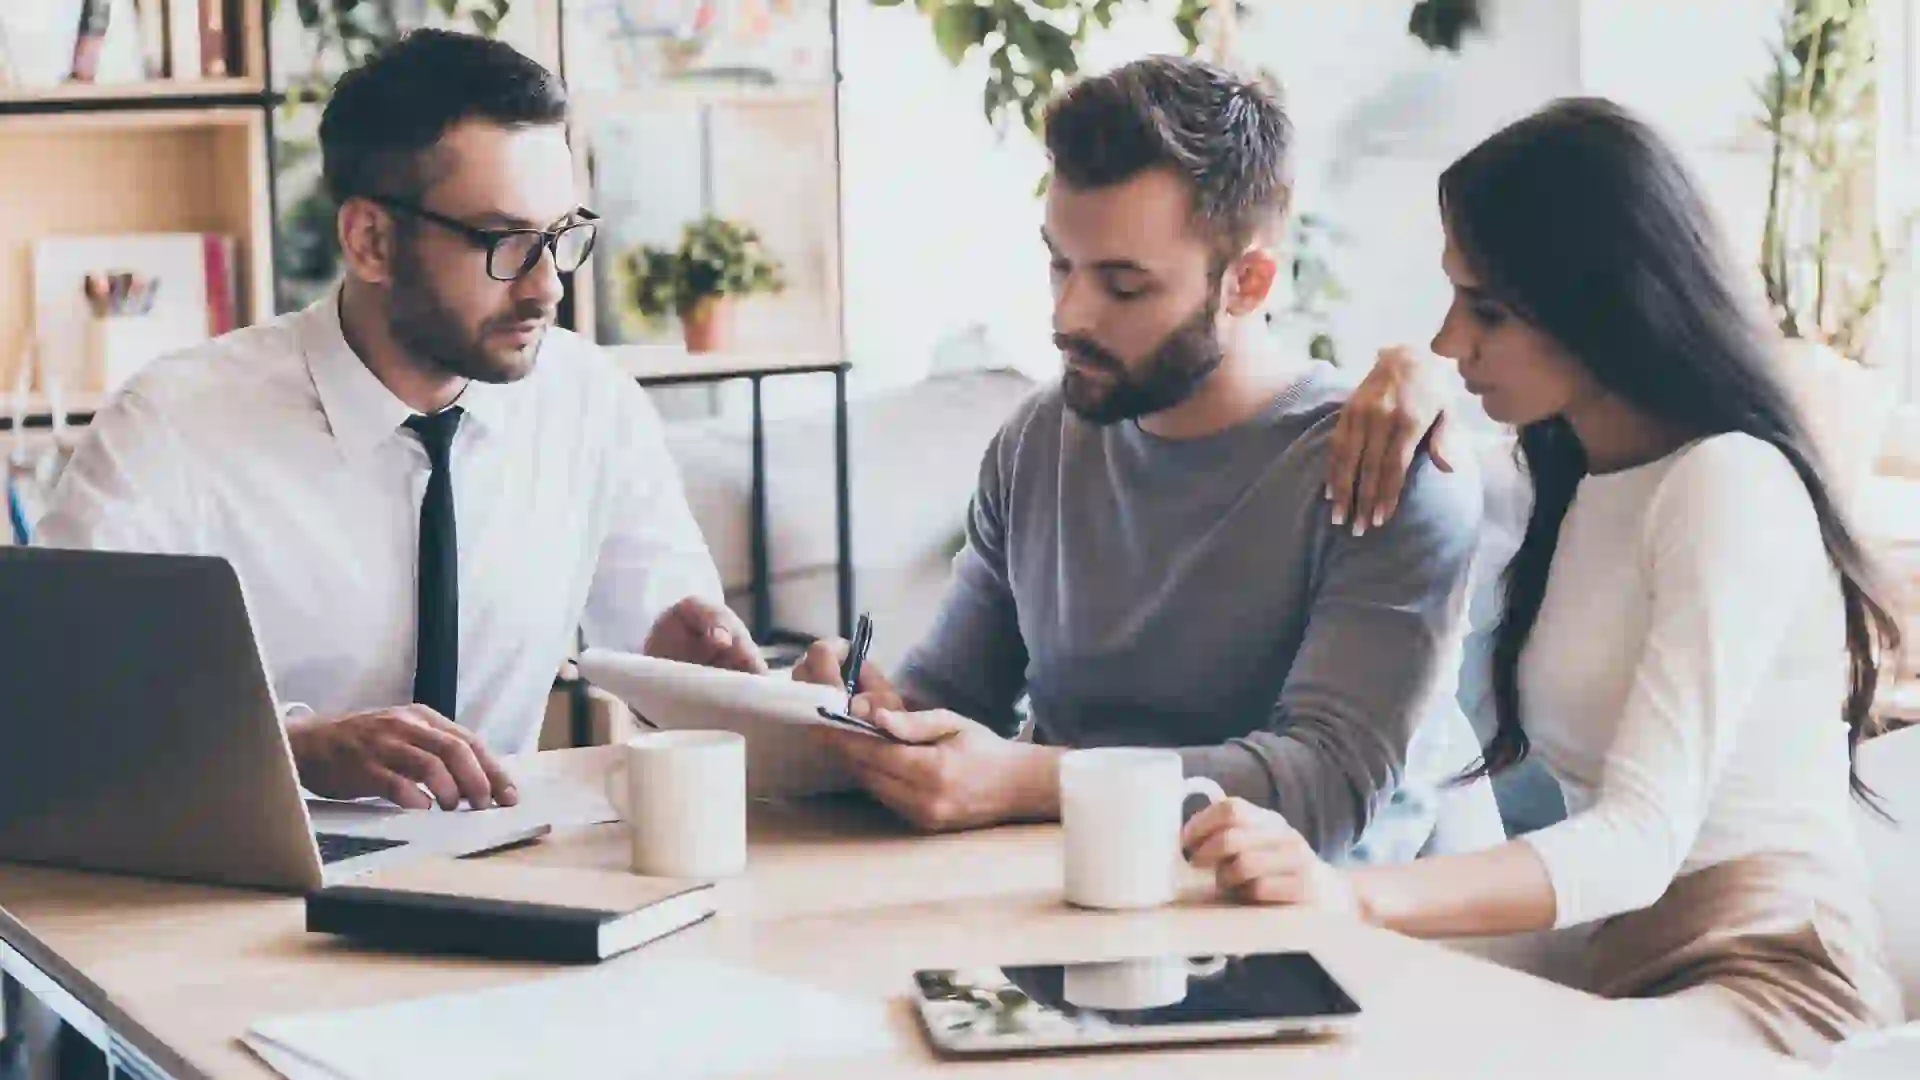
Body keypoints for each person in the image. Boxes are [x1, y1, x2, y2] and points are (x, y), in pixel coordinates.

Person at [1181, 97, 1906, 1058]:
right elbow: (1412, 480)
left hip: (1771, 981)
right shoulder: (1563, 477)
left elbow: (1639, 845)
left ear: (1601, 302)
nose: (1452, 341)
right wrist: (1406, 374)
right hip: (1620, 965)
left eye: (1486, 310)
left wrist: (1353, 896)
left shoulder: (1729, 483)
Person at [793, 55, 1501, 863]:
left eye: (1123, 286)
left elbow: (1327, 790)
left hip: (1310, 919)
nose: (1068, 315)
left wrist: (1029, 780)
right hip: (1068, 894)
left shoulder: (1384, 462)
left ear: (1247, 283)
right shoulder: (1037, 443)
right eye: (1060, 264)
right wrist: (862, 717)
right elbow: (952, 701)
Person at [35, 29, 761, 812]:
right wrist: (293, 747)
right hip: (250, 873)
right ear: (370, 241)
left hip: (506, 858)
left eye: (560, 236)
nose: (547, 287)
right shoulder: (171, 426)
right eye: (506, 242)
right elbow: (54, 700)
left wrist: (721, 687)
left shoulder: (592, 403)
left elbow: (673, 664)